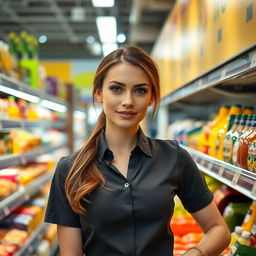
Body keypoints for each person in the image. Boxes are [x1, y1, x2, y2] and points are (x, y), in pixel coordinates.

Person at [44, 46, 230, 256]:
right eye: (116, 89)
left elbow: (219, 230)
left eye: (140, 90)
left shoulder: (174, 158)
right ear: (99, 93)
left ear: (151, 97)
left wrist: (195, 253)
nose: (128, 101)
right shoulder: (70, 169)